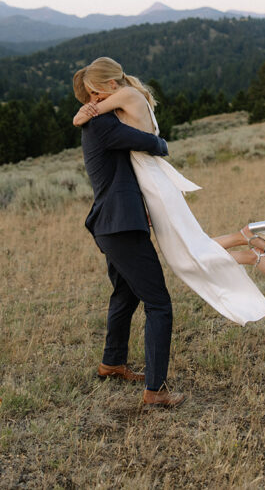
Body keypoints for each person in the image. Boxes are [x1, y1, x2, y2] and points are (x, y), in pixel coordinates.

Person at [72, 57, 265, 330]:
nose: (93, 99)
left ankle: (253, 253)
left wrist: (82, 114)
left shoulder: (125, 94)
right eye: (90, 94)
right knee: (189, 251)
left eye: (94, 92)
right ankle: (247, 240)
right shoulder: (130, 94)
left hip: (154, 183)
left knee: (186, 259)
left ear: (111, 83)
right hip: (151, 183)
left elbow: (83, 116)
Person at [76, 74, 186, 408]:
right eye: (92, 95)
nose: (96, 100)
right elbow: (151, 143)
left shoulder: (102, 122)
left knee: (125, 293)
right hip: (120, 225)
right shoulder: (104, 125)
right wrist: (164, 143)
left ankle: (112, 363)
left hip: (113, 224)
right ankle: (156, 391)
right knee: (159, 304)